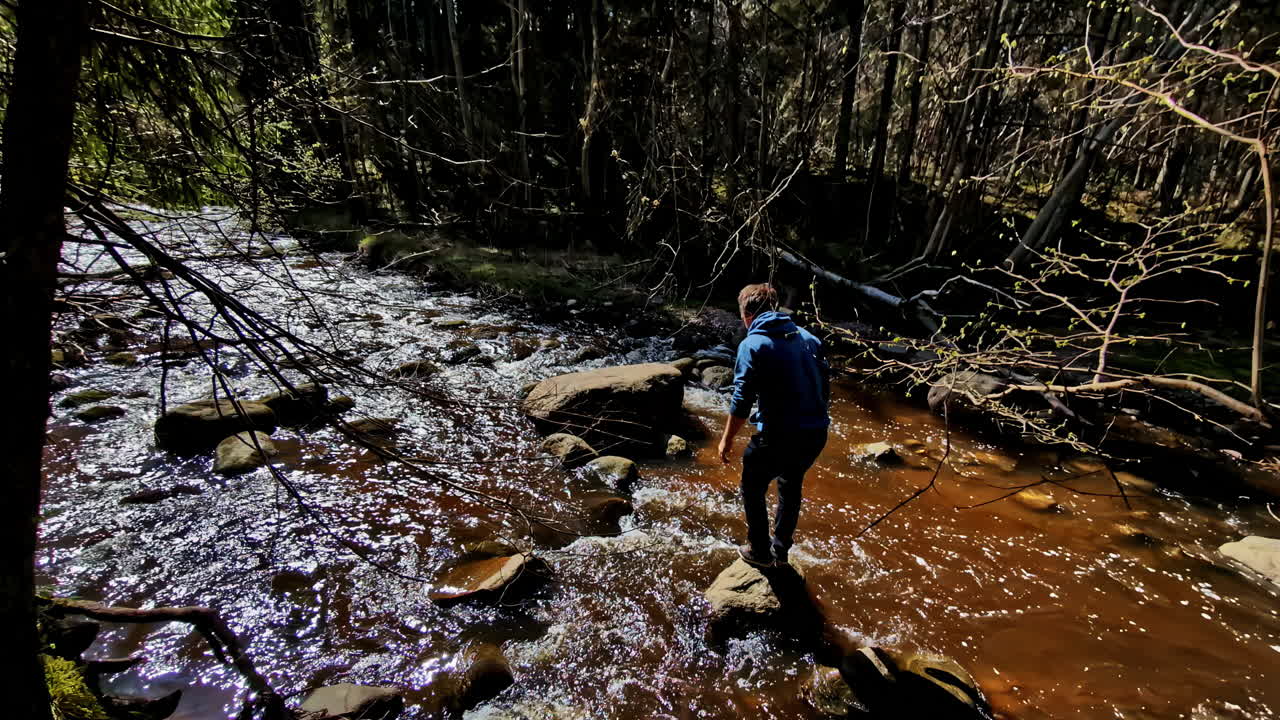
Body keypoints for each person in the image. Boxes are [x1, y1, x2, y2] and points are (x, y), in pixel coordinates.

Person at [717, 283, 830, 568]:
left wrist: (727, 439)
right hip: (815, 433)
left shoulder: (752, 345)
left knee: (752, 485)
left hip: (780, 435)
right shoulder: (809, 339)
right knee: (790, 487)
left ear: (747, 314)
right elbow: (824, 389)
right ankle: (780, 551)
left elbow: (742, 399)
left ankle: (759, 550)